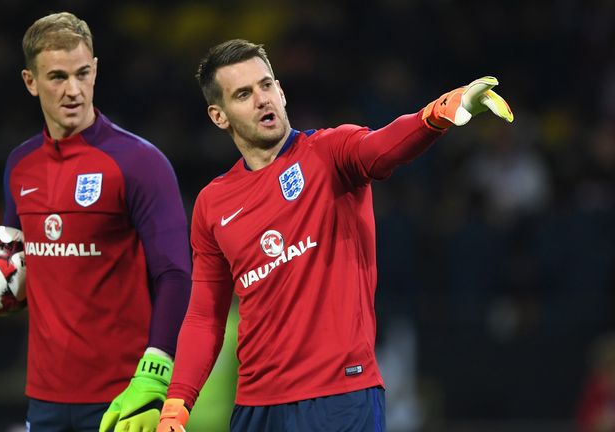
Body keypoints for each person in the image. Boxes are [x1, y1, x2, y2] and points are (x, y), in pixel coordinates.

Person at [156, 39, 513, 432]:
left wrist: (440, 112)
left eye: (266, 85)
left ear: (281, 91)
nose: (261, 99)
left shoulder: (328, 153)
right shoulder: (213, 204)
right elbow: (205, 315)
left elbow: (382, 147)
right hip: (255, 409)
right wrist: (177, 401)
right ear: (219, 116)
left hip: (339, 398)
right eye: (243, 94)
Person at [0, 12, 192, 432]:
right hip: (45, 401)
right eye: (57, 76)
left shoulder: (141, 164)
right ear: (30, 81)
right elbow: (15, 272)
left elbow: (175, 273)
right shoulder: (21, 166)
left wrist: (157, 369)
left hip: (126, 398)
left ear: (96, 71)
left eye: (82, 73)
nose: (73, 90)